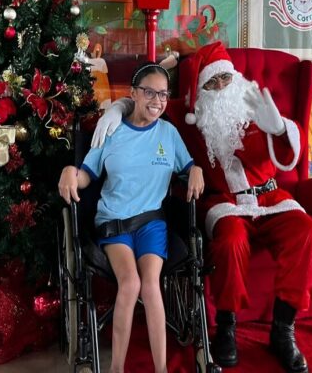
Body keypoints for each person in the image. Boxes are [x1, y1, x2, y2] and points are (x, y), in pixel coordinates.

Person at [91, 42, 312, 373]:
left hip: (270, 197)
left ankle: (283, 331)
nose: (221, 87)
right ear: (201, 92)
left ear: (236, 78)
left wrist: (281, 128)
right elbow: (149, 101)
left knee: (307, 232)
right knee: (230, 242)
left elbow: (289, 155)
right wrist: (117, 109)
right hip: (225, 202)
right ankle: (227, 328)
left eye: (226, 78)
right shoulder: (189, 120)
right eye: (212, 82)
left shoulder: (256, 105)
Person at [58, 62, 204, 373]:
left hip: (152, 222)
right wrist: (69, 171)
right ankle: (116, 369)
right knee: (130, 282)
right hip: (115, 221)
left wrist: (196, 170)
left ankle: (161, 369)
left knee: (151, 284)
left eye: (163, 94)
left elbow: (188, 167)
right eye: (150, 92)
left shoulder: (169, 133)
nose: (157, 101)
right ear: (134, 94)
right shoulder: (112, 132)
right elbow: (86, 175)